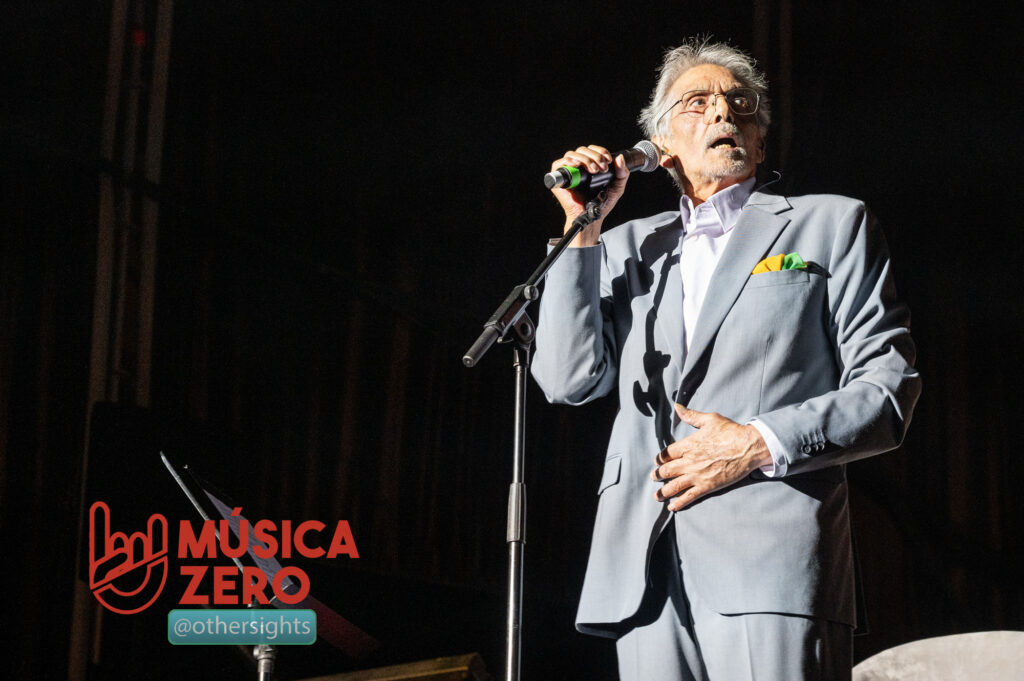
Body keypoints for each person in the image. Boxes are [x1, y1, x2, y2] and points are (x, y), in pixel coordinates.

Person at [531, 37, 921, 681]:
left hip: (773, 558)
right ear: (661, 148)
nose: (723, 114)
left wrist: (757, 441)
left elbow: (888, 386)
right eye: (698, 103)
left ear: (761, 142)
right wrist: (584, 231)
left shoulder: (830, 225)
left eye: (741, 105)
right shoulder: (625, 246)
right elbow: (566, 380)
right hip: (643, 572)